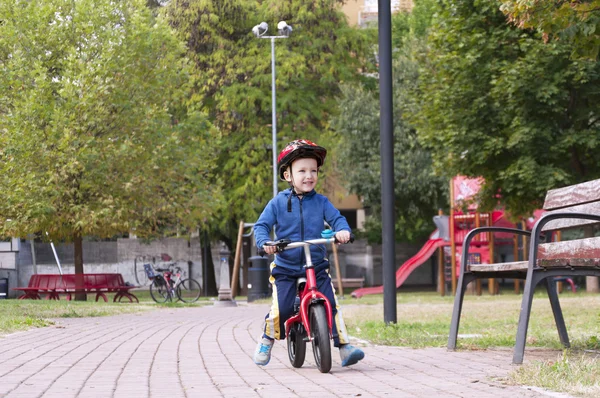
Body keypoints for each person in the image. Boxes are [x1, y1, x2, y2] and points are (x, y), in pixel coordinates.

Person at [252, 139, 365, 367]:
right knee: (281, 308)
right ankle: (267, 338)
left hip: (316, 265)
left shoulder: (321, 202)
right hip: (286, 266)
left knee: (331, 305)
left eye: (313, 170)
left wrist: (342, 230)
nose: (309, 175)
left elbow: (337, 219)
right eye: (302, 170)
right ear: (288, 176)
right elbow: (261, 226)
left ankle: (344, 347)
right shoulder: (278, 203)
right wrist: (266, 242)